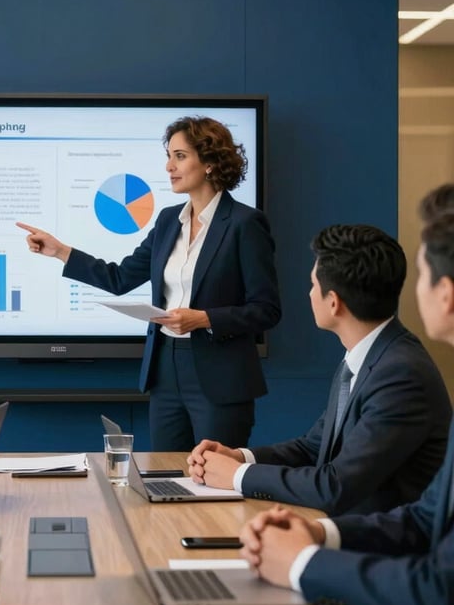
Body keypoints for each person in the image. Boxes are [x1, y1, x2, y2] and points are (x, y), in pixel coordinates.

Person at [239, 185, 454, 605]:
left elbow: (441, 592)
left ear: (445, 294)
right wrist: (317, 536)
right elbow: (423, 517)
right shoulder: (365, 358)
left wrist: (302, 563)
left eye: (422, 275)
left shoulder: (402, 371)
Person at [18, 116, 281, 450]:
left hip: (220, 376)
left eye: (180, 156)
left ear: (211, 162)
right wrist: (61, 252)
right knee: (165, 479)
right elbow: (121, 277)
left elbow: (267, 310)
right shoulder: (169, 220)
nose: (169, 166)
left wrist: (203, 318)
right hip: (165, 371)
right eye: (169, 156)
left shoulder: (245, 223)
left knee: (216, 483)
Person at [187, 224, 451, 514]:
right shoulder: (366, 358)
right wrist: (240, 457)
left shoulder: (401, 375)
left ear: (334, 302)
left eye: (313, 285)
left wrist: (235, 476)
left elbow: (335, 486)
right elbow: (313, 449)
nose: (309, 294)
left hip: (381, 547)